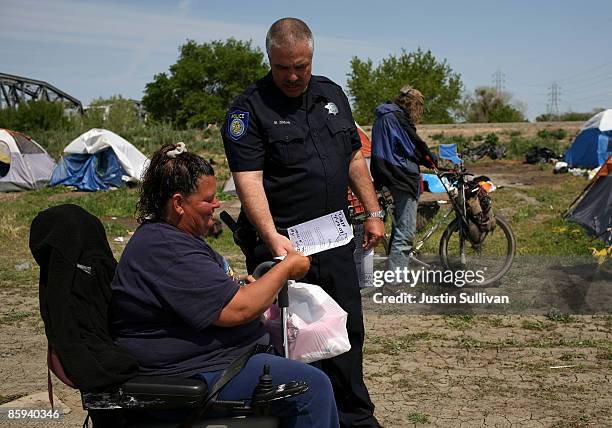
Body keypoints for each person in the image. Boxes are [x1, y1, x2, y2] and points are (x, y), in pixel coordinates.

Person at [222, 17, 384, 428]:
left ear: (311, 57)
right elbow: (249, 180)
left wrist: (374, 211)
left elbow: (352, 157)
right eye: (283, 67)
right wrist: (273, 238)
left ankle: (356, 418)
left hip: (334, 240)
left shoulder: (331, 94)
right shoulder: (248, 109)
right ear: (269, 59)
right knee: (291, 341)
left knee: (344, 330)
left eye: (301, 66)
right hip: (285, 248)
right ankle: (298, 417)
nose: (293, 76)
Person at [109, 142, 339, 428]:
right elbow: (238, 310)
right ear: (179, 203)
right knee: (312, 388)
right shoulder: (165, 248)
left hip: (216, 358)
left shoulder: (171, 238)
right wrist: (286, 268)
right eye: (208, 199)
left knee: (310, 360)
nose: (216, 205)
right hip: (192, 370)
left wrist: (236, 283)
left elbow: (200, 290)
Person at [370, 85, 437, 273]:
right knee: (405, 232)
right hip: (400, 176)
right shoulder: (397, 118)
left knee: (399, 229)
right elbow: (413, 146)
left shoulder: (384, 115)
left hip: (385, 174)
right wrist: (431, 159)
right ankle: (394, 283)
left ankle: (392, 274)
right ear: (413, 105)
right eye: (419, 108)